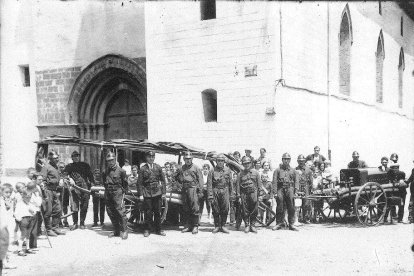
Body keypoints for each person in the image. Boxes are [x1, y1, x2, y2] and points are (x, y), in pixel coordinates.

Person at [137, 151, 166, 237]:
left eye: (153, 157)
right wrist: (141, 194)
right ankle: (147, 229)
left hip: (157, 192)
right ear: (146, 158)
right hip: (147, 193)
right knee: (148, 212)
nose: (151, 158)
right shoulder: (142, 169)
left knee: (157, 212)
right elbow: (139, 183)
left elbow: (163, 180)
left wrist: (163, 192)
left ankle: (158, 229)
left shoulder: (158, 167)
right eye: (149, 157)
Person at [65, 151, 94, 230]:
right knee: (74, 205)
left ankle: (82, 223)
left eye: (77, 156)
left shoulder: (85, 165)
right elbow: (64, 175)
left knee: (84, 205)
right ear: (72, 158)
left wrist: (92, 185)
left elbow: (90, 175)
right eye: (74, 156)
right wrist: (69, 179)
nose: (76, 157)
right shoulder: (69, 166)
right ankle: (75, 223)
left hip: (84, 187)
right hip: (74, 187)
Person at [176, 151, 203, 234]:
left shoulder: (196, 168)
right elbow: (178, 178)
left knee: (194, 208)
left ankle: (195, 226)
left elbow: (200, 180)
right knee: (186, 207)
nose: (188, 160)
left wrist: (200, 191)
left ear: (192, 159)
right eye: (186, 159)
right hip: (185, 189)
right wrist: (179, 186)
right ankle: (188, 225)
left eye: (189, 159)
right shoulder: (182, 168)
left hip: (193, 189)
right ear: (184, 159)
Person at [103, 151, 128, 239]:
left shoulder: (121, 171)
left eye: (112, 160)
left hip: (117, 193)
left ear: (115, 160)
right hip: (108, 192)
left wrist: (122, 193)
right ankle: (116, 230)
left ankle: (124, 231)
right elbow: (104, 182)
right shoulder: (106, 171)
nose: (110, 162)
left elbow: (125, 184)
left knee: (120, 212)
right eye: (108, 160)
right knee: (110, 211)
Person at [40, 151, 65, 236]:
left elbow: (60, 175)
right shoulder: (46, 167)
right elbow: (42, 180)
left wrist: (61, 179)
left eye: (57, 158)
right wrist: (44, 193)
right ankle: (48, 229)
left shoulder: (56, 167)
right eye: (55, 158)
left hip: (55, 191)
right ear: (50, 159)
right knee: (48, 210)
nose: (57, 159)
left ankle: (55, 227)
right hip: (48, 191)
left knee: (57, 209)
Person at [207, 154, 233, 234]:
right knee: (215, 209)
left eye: (222, 161)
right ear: (216, 161)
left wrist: (231, 194)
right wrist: (210, 195)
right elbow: (209, 184)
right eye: (219, 161)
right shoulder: (212, 170)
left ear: (224, 162)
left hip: (225, 190)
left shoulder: (228, 170)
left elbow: (230, 183)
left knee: (225, 209)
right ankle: (217, 226)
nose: (220, 162)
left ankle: (223, 226)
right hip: (215, 190)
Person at [272, 153, 299, 231]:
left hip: (290, 189)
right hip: (280, 188)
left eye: (287, 159)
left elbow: (296, 181)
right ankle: (279, 223)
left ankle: (291, 224)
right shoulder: (277, 170)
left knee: (291, 206)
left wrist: (296, 191)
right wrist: (275, 192)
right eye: (284, 159)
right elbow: (274, 181)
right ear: (282, 160)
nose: (286, 161)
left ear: (290, 160)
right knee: (280, 205)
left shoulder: (293, 170)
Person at [236, 156, 262, 234]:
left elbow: (259, 185)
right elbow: (238, 186)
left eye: (248, 163)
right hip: (244, 193)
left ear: (250, 163)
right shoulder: (240, 174)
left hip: (254, 193)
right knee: (245, 210)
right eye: (245, 163)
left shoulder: (256, 173)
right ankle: (247, 225)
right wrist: (239, 196)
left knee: (254, 209)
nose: (246, 165)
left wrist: (260, 195)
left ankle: (252, 225)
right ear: (243, 164)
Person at [295, 155, 312, 224]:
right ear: (297, 161)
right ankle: (297, 218)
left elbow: (311, 181)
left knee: (306, 203)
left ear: (304, 161)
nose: (301, 162)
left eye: (302, 161)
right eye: (299, 161)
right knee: (297, 203)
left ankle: (306, 218)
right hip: (298, 187)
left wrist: (309, 189)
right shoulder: (295, 169)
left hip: (306, 187)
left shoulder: (308, 170)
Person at [0, 187, 11, 275]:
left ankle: (4, 263)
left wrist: (7, 205)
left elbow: (5, 210)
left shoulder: (3, 200)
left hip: (4, 224)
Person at [57, 162, 70, 228]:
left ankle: (65, 220)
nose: (61, 168)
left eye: (63, 167)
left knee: (65, 207)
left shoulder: (66, 174)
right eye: (60, 167)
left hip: (66, 192)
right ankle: (59, 221)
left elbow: (70, 181)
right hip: (59, 192)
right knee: (59, 207)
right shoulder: (57, 174)